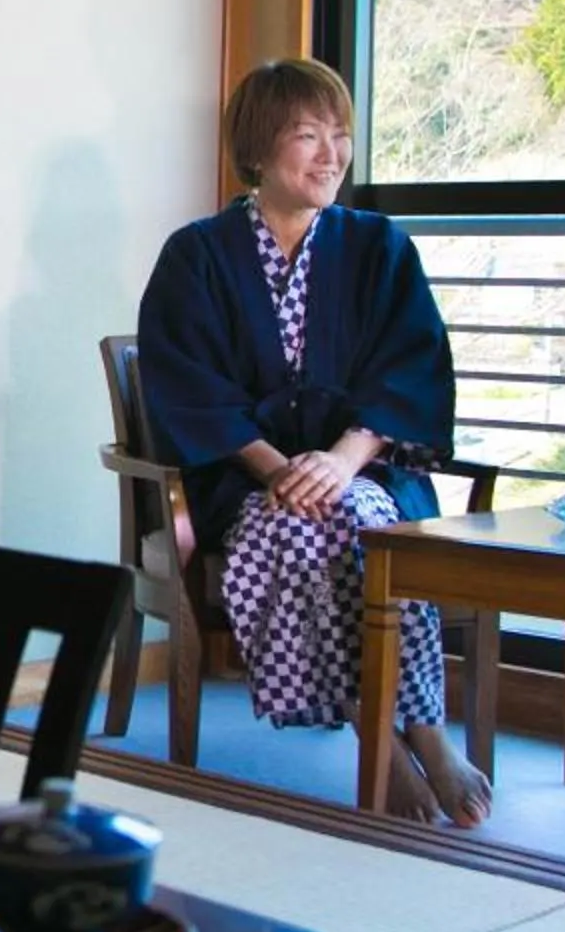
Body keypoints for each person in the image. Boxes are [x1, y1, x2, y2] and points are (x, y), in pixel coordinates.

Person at [135, 58, 491, 826]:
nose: (331, 154)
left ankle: (422, 731)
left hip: (361, 469)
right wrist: (278, 470)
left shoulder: (377, 248)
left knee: (366, 522)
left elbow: (409, 371)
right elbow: (192, 390)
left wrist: (339, 460)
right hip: (241, 479)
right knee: (299, 525)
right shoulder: (196, 256)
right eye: (308, 135)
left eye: (341, 136)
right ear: (259, 150)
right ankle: (385, 736)